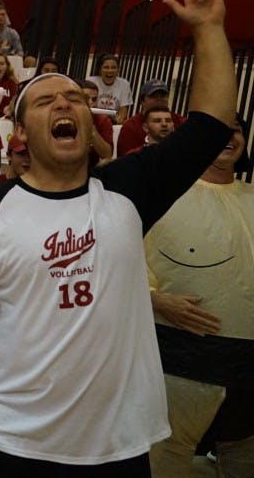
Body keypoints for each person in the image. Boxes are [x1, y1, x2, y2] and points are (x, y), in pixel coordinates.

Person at [0, 0, 238, 478]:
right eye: (46, 100)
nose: (64, 103)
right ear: (21, 133)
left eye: (73, 97)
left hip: (116, 450)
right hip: (8, 443)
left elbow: (209, 127)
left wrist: (207, 30)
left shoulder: (128, 189)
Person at [145, 116, 253, 477]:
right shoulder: (160, 196)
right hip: (179, 357)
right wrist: (153, 299)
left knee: (243, 456)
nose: (228, 136)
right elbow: (119, 264)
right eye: (218, 128)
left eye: (235, 128)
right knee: (165, 455)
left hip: (247, 365)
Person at [117, 78, 186, 156]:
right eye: (154, 96)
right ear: (142, 101)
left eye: (163, 96)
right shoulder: (130, 127)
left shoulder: (181, 122)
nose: (159, 99)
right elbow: (125, 161)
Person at [86, 54, 133, 124]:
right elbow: (86, 107)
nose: (110, 71)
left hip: (114, 122)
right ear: (100, 70)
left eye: (114, 67)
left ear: (118, 70)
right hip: (93, 121)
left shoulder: (124, 84)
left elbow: (123, 114)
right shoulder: (90, 81)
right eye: (106, 67)